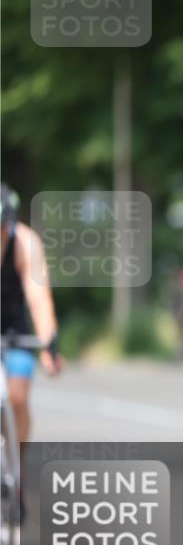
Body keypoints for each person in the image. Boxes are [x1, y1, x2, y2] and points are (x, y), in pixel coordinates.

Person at [0, 183, 64, 458]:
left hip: (15, 327)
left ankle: (16, 468)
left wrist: (50, 346)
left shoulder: (26, 243)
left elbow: (39, 300)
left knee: (18, 397)